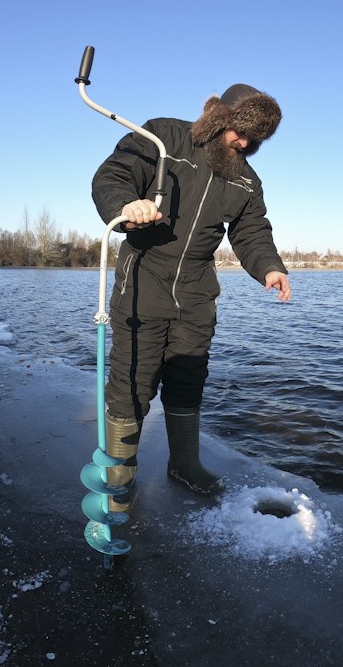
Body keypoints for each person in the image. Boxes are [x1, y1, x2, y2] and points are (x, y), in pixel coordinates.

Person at [91, 83, 290, 510]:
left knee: (188, 377)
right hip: (144, 277)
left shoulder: (246, 180)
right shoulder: (163, 137)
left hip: (198, 289)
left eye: (256, 138)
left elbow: (252, 231)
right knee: (132, 380)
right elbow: (114, 174)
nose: (246, 143)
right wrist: (127, 205)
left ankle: (184, 464)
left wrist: (270, 267)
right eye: (241, 131)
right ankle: (118, 474)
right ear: (221, 118)